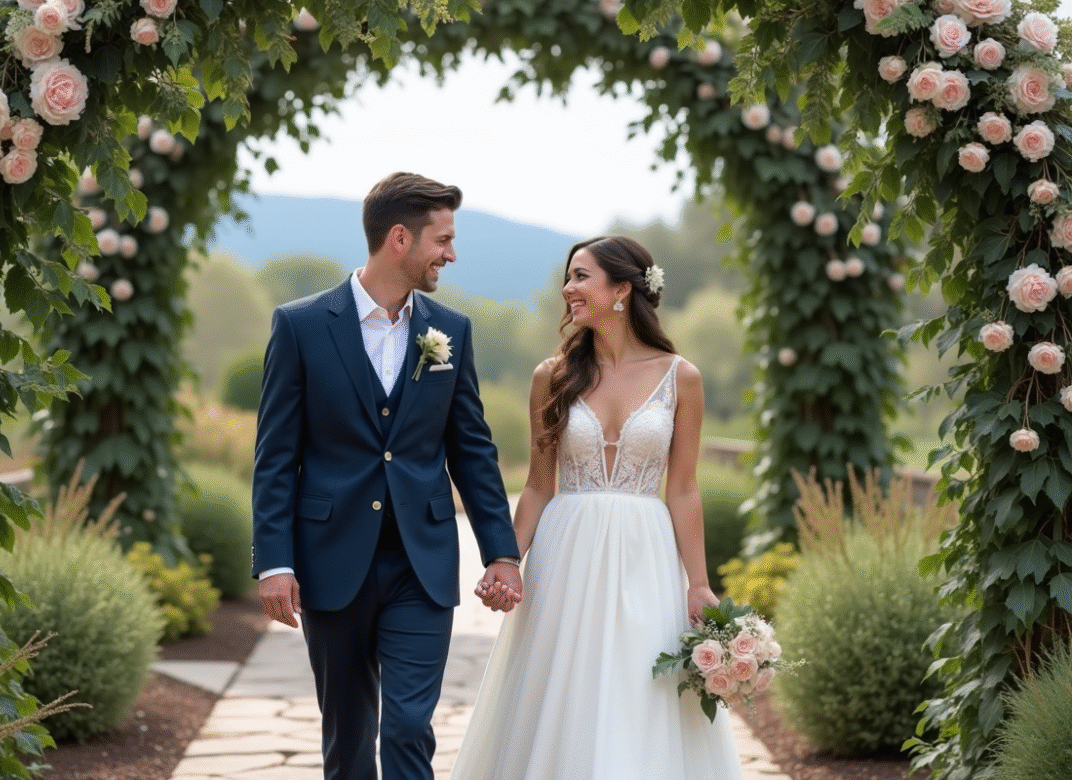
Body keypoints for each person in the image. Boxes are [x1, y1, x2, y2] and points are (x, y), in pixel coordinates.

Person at [251, 171, 523, 780]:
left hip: (421, 565)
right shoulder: (299, 326)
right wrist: (274, 562)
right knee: (348, 742)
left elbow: (473, 451)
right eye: (443, 240)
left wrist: (500, 553)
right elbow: (275, 455)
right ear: (399, 239)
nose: (451, 255)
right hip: (330, 559)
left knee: (406, 727)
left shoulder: (450, 330)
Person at [452, 236, 743, 779]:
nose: (568, 289)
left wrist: (698, 584)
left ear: (623, 290)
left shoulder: (682, 377)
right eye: (569, 277)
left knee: (640, 686)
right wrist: (505, 560)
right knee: (566, 686)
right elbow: (539, 485)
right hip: (568, 550)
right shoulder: (551, 376)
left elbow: (682, 489)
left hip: (645, 552)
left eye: (581, 277)